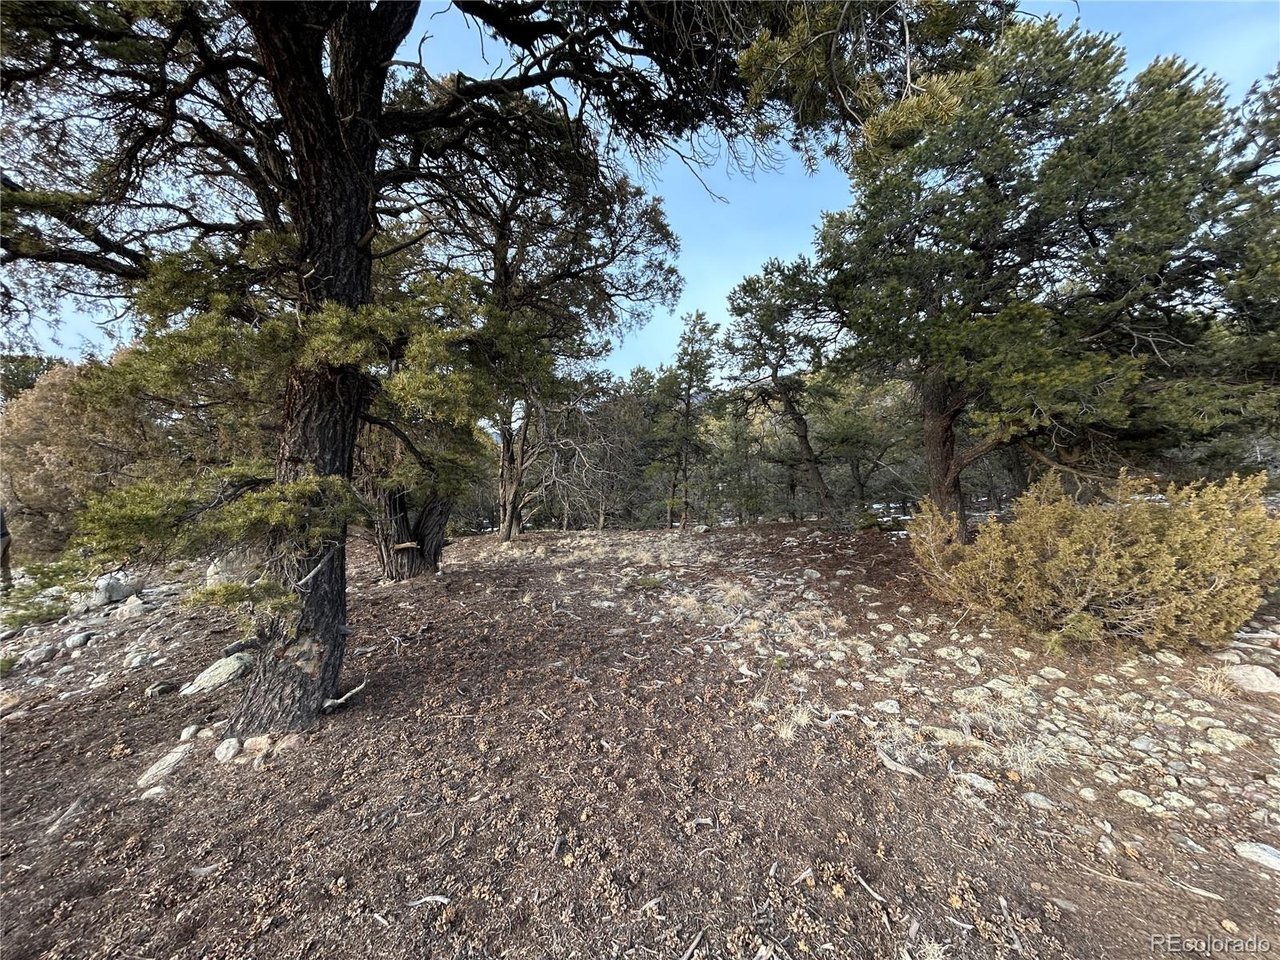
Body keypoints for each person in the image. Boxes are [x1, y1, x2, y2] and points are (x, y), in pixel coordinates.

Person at [0, 504, 11, 595]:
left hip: (0, 539)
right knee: (4, 562)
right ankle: (8, 584)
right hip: (7, 537)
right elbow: (4, 508)